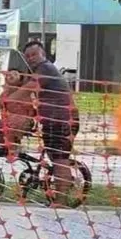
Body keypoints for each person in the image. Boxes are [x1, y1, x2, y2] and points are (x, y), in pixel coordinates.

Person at [23, 37, 77, 184]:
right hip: (53, 121)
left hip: (62, 120)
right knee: (55, 158)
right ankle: (58, 192)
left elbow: (28, 89)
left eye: (34, 54)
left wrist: (5, 101)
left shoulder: (45, 68)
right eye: (27, 56)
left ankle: (61, 202)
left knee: (59, 160)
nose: (31, 59)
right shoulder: (36, 71)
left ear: (43, 55)